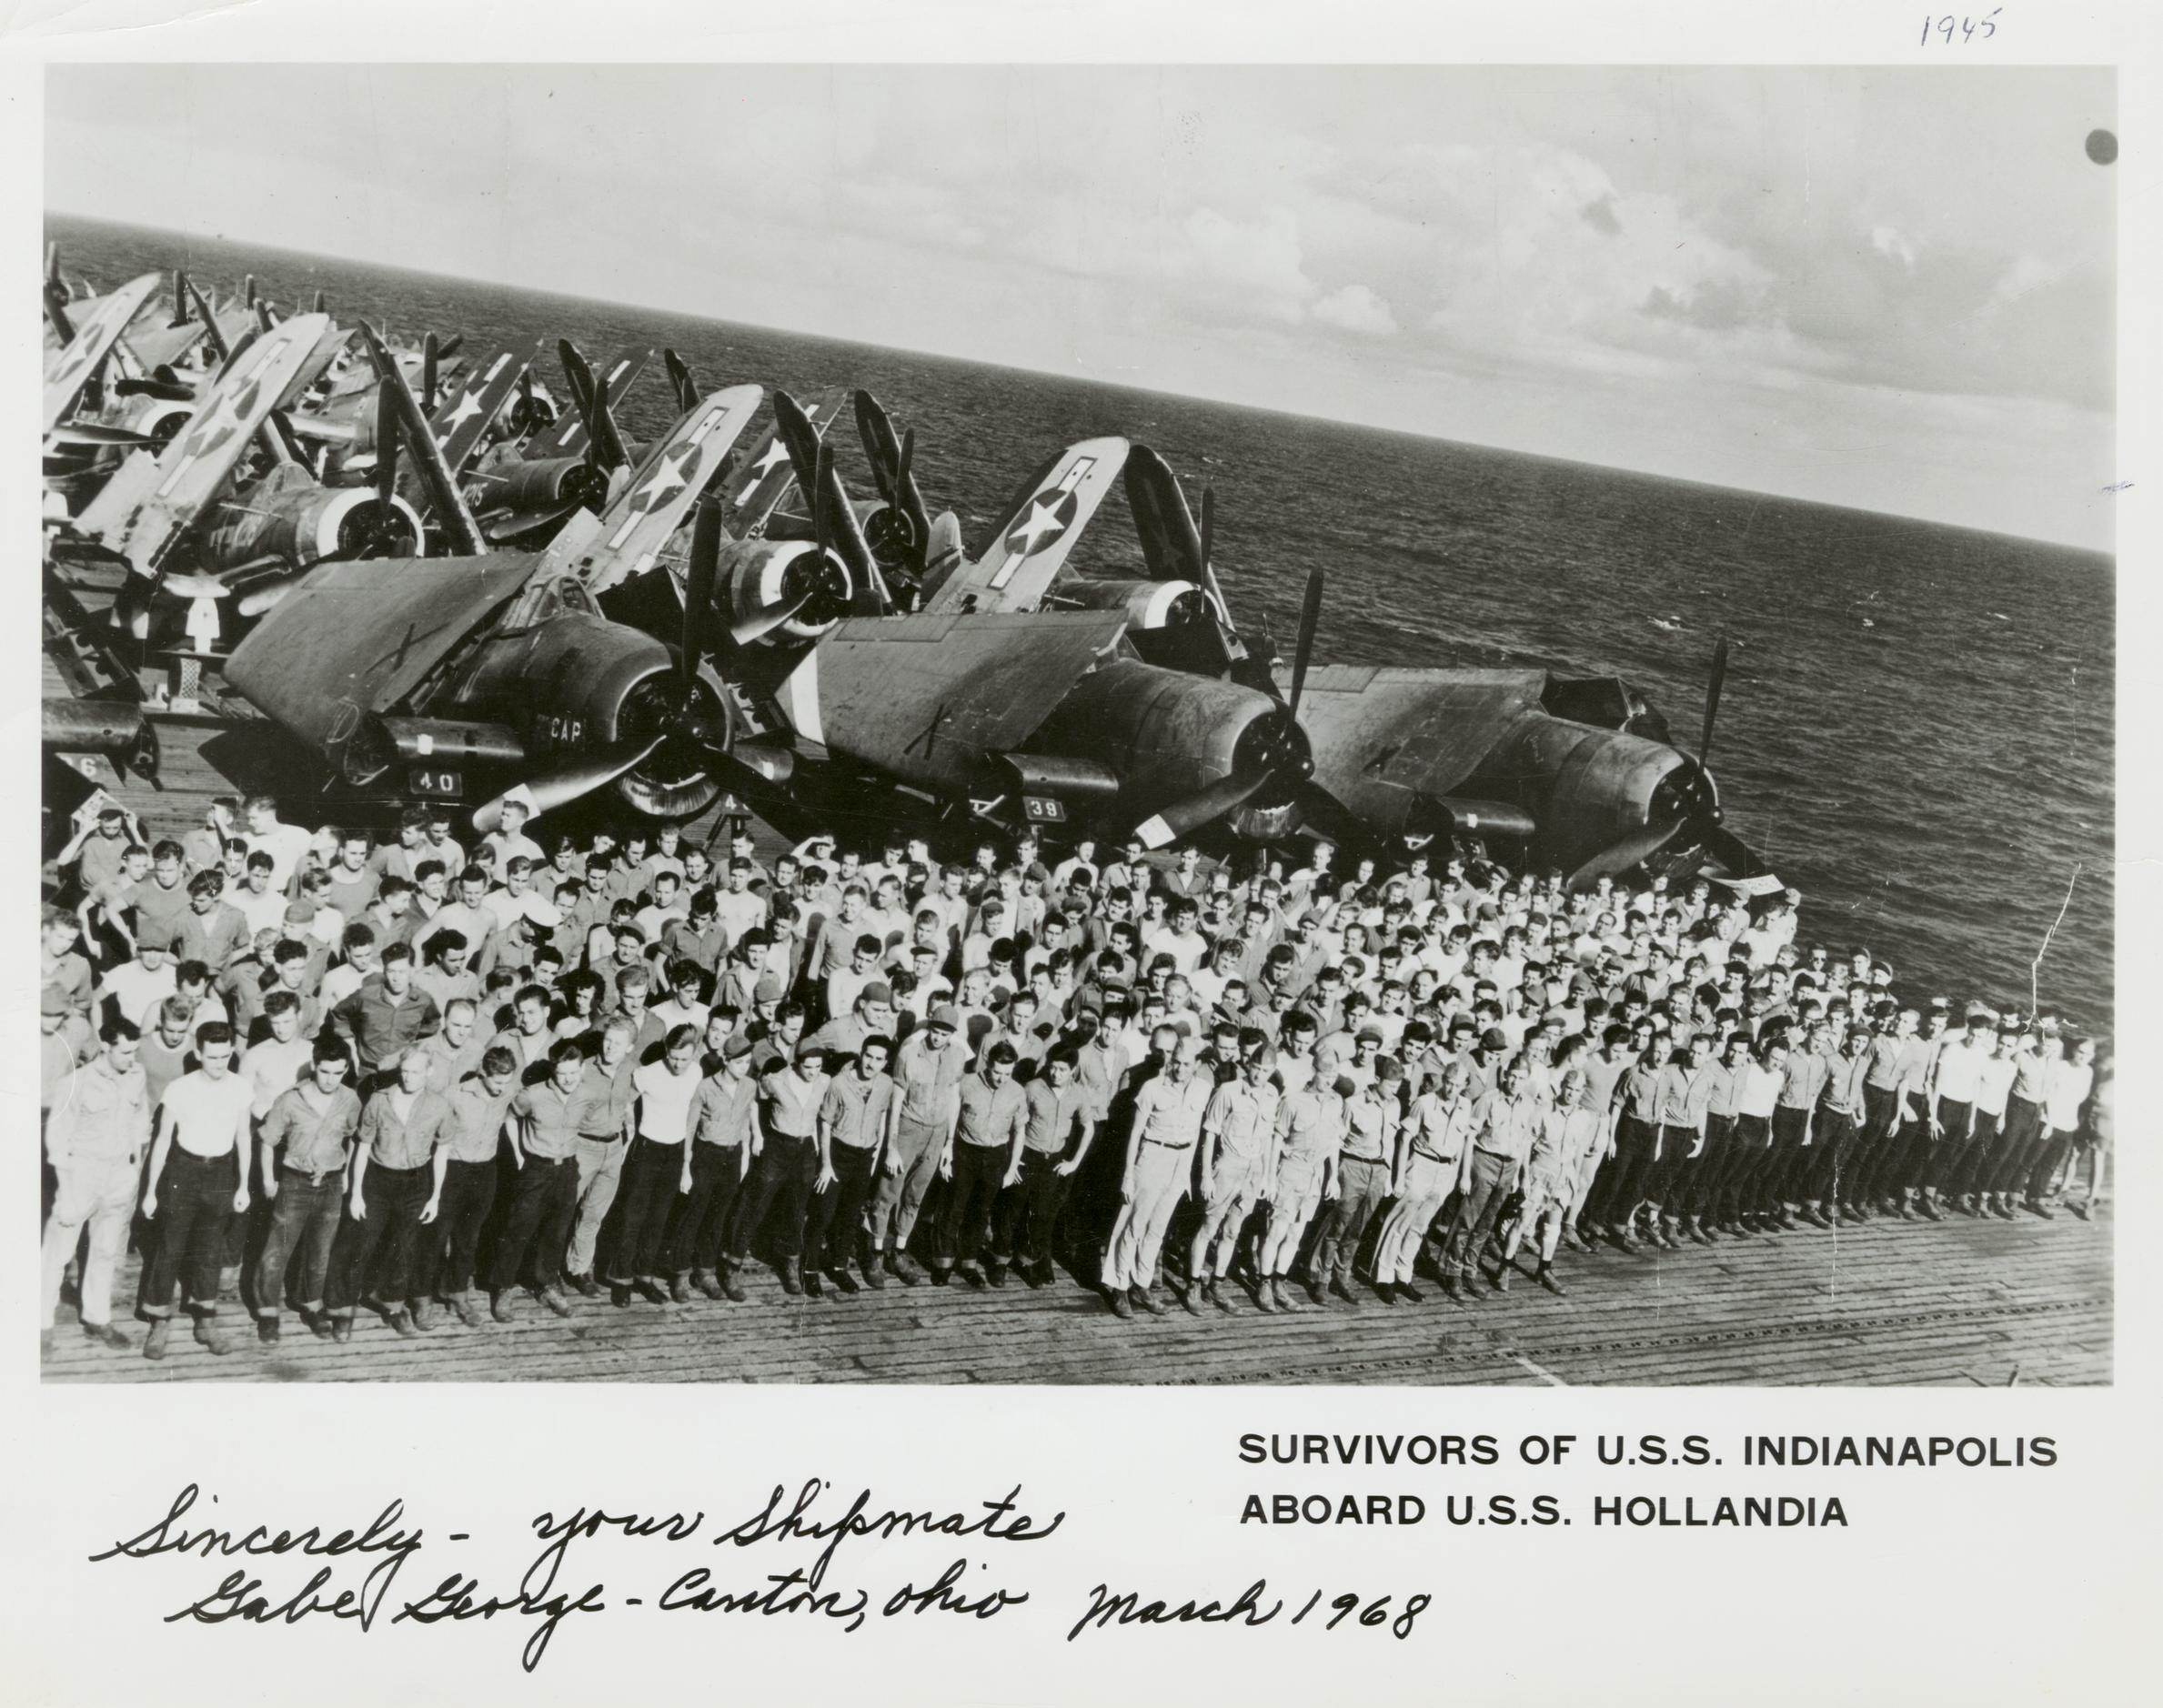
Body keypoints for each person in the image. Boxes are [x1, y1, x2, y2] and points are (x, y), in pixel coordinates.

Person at [137, 1020, 255, 1359]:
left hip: (221, 1173)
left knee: (210, 1250)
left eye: (225, 1056)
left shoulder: (240, 1088)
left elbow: (243, 1137)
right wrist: (150, 1191)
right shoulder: (179, 1089)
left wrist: (243, 1185)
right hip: (183, 1171)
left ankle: (205, 1320)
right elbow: (162, 1140)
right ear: (199, 1054)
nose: (219, 1063)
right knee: (170, 1248)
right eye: (212, 1057)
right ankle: (159, 1321)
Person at [321, 1050, 457, 1340]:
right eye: (405, 1071)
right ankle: (342, 1310)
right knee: (360, 1242)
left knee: (405, 1247)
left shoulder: (440, 1106)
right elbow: (362, 1147)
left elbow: (442, 1152)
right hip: (377, 1180)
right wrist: (356, 1193)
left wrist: (435, 1197)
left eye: (416, 1072)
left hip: (416, 1182)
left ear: (429, 1072)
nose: (409, 1077)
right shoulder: (379, 1100)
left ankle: (392, 1305)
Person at [41, 1017, 153, 1356]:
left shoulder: (136, 1075)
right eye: (125, 1052)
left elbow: (140, 1120)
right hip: (81, 1176)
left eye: (135, 1051)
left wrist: (134, 1167)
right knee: (57, 1253)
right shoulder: (75, 1083)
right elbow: (58, 1140)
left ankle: (97, 1318)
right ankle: (40, 1324)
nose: (132, 1058)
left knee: (105, 1252)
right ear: (105, 1046)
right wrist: (66, 1193)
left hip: (118, 1177)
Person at [251, 1037, 365, 1344]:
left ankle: (310, 1304)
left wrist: (348, 1176)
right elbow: (267, 1140)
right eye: (325, 1071)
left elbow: (354, 1138)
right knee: (277, 1251)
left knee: (320, 1251)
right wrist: (268, 1180)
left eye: (338, 1073)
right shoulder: (289, 1100)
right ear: (314, 1065)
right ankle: (267, 1313)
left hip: (331, 1183)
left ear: (346, 1069)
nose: (330, 1079)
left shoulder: (350, 1100)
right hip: (295, 1182)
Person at [1103, 1035, 1213, 1318]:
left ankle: (1142, 1284)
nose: (1179, 1069)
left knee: (1157, 1230)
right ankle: (1120, 1286)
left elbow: (1196, 1133)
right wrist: (1129, 1175)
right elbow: (1135, 1133)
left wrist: (1187, 1173)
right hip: (1152, 1156)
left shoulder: (1203, 1089)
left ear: (1196, 1065)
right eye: (1175, 1062)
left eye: (1186, 1064)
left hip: (1180, 1164)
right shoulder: (1152, 1088)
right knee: (1134, 1226)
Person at [489, 1040, 597, 1321]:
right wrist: (518, 1154)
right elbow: (510, 1117)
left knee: (557, 1231)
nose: (569, 1079)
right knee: (518, 1229)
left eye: (573, 1072)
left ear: (582, 1069)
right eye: (562, 1073)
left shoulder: (586, 1094)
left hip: (568, 1170)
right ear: (553, 1070)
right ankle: (503, 1287)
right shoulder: (533, 1095)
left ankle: (546, 1284)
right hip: (536, 1168)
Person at [869, 1003, 967, 1284]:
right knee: (888, 1193)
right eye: (935, 1031)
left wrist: (949, 1142)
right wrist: (892, 1146)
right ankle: (876, 1254)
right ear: (929, 1027)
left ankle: (898, 1254)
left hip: (937, 1134)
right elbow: (896, 1101)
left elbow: (954, 1098)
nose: (938, 1038)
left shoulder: (957, 1056)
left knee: (915, 1197)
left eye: (944, 1034)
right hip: (908, 1129)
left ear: (952, 1035)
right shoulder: (908, 1054)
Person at [425, 1045, 520, 1327]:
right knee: (436, 1236)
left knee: (468, 1240)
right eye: (497, 1082)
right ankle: (423, 1296)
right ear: (483, 1073)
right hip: (453, 1170)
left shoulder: (508, 1094)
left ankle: (457, 1293)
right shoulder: (454, 1095)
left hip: (485, 1171)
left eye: (507, 1082)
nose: (502, 1088)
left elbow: (514, 1114)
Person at [724, 1043, 830, 1295]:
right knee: (754, 1203)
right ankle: (731, 1265)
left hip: (805, 1150)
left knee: (796, 1209)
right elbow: (753, 1099)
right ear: (797, 1063)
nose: (813, 1072)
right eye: (808, 1067)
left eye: (818, 1067)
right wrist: (757, 1133)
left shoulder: (824, 1081)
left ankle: (789, 1262)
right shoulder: (776, 1080)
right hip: (778, 1146)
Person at [1184, 1048, 1281, 1313]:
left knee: (1232, 1232)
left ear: (1272, 1071)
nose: (1259, 1075)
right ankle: (1193, 1284)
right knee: (1208, 1227)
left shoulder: (1272, 1094)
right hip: (1227, 1166)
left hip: (1253, 1171)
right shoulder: (1228, 1091)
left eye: (1265, 1071)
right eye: (1256, 1068)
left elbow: (1268, 1138)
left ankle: (1216, 1284)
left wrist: (1267, 1176)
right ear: (1248, 1064)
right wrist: (1206, 1174)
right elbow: (1210, 1134)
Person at [666, 1032, 760, 1301]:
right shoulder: (705, 1087)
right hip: (706, 1156)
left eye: (748, 1063)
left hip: (733, 1156)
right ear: (726, 1060)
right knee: (694, 1214)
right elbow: (690, 1128)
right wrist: (686, 1167)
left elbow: (746, 1117)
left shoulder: (749, 1086)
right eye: (739, 1062)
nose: (744, 1068)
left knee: (718, 1217)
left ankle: (705, 1274)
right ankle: (679, 1275)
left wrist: (746, 1152)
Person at [802, 1033, 896, 1295]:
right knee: (823, 1214)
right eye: (868, 1056)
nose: (871, 1063)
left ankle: (839, 1266)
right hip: (837, 1155)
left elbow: (882, 1116)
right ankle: (809, 1270)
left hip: (864, 1157)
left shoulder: (886, 1084)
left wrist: (876, 1154)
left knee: (850, 1216)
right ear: (861, 1054)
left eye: (878, 1059)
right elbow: (825, 1123)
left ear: (885, 1063)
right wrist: (826, 1164)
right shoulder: (839, 1083)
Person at [933, 1040, 1028, 1288]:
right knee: (953, 1208)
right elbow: (951, 1117)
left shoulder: (1017, 1091)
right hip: (965, 1151)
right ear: (987, 1064)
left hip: (996, 1156)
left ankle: (968, 1264)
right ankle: (943, 1263)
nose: (1001, 1079)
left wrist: (1012, 1169)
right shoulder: (967, 1083)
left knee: (980, 1212)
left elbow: (1020, 1131)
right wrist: (948, 1147)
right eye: (997, 1072)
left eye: (1007, 1073)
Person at [1310, 1055, 1399, 1305]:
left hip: (1378, 1171)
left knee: (1356, 1230)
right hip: (1352, 1166)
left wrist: (1388, 1176)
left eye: (1397, 1086)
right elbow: (1336, 1140)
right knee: (1337, 1226)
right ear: (1377, 1079)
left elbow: (1391, 1142)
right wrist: (1334, 1176)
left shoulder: (1394, 1105)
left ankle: (1342, 1278)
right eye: (1390, 1085)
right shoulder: (1353, 1104)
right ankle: (1321, 1279)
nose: (1394, 1091)